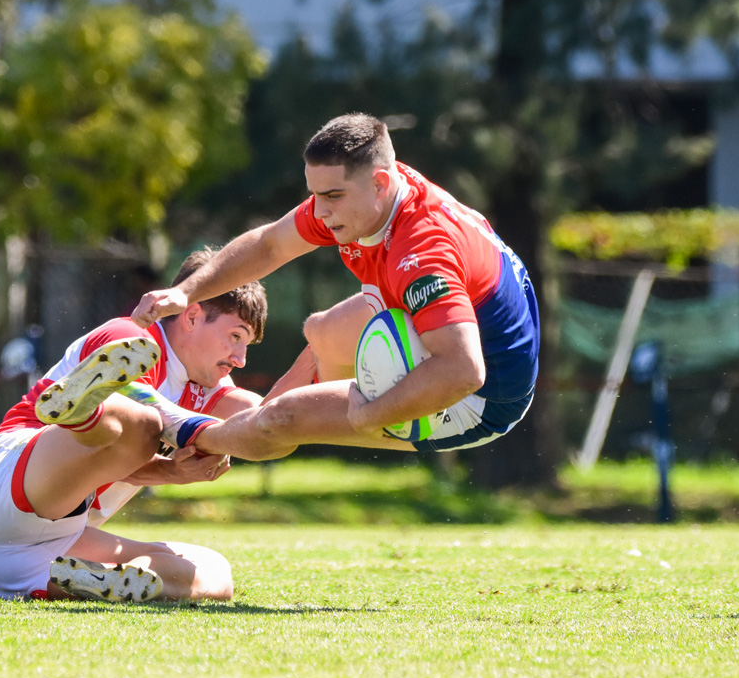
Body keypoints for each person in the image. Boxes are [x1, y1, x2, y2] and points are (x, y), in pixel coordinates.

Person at [79, 113, 539, 462]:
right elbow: (270, 244)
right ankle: (253, 430)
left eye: (332, 196)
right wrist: (188, 292)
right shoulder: (372, 197)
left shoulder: (422, 250)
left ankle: (184, 429)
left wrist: (368, 414)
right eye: (314, 194)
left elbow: (463, 371)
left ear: (380, 183)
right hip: (465, 340)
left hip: (482, 400)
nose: (319, 212)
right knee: (321, 331)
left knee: (280, 419)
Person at [0, 249, 265, 603]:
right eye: (236, 336)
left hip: (41, 548)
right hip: (9, 472)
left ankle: (94, 583)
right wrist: (190, 432)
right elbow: (146, 424)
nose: (240, 358)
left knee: (214, 571)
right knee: (144, 422)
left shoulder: (204, 384)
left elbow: (266, 418)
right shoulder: (131, 335)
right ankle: (85, 414)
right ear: (193, 317)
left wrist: (323, 370)